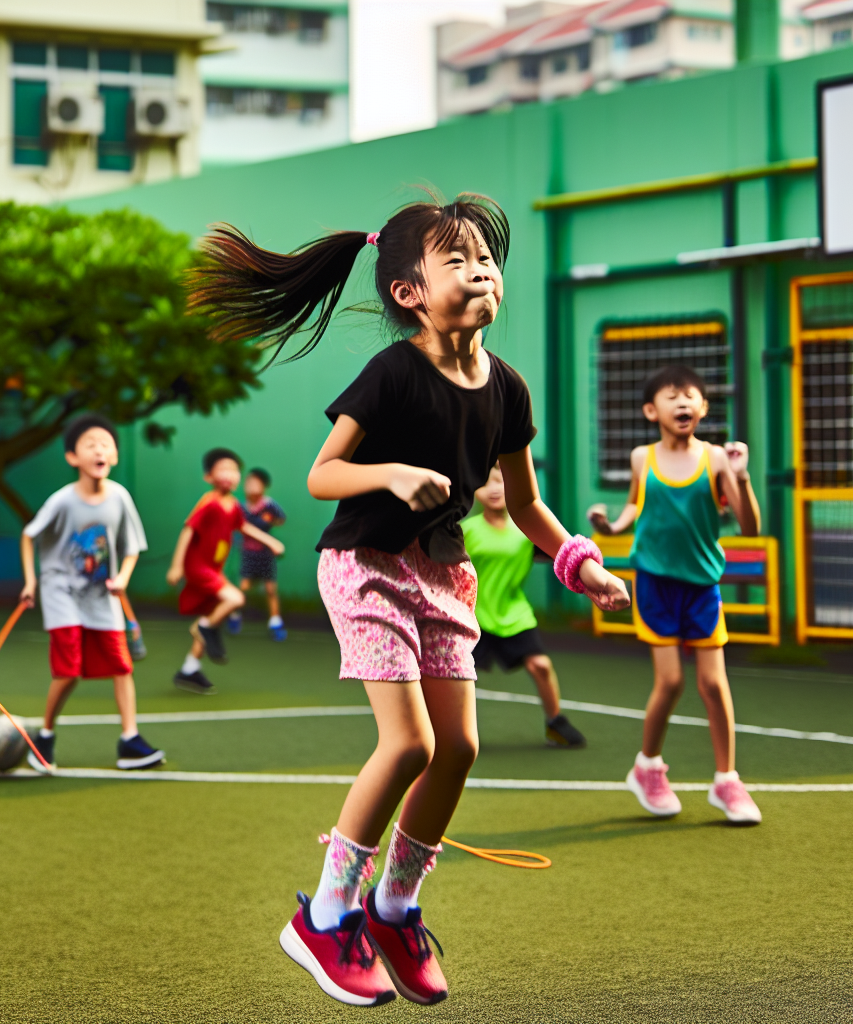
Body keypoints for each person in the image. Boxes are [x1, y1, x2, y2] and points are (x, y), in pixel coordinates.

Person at [189, 193, 628, 1007]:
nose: (481, 270)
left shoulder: (508, 388)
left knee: (459, 747)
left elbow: (528, 506)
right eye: (456, 259)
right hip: (365, 566)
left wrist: (580, 563)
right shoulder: (393, 373)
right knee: (410, 746)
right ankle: (324, 916)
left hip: (440, 575)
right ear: (408, 293)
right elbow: (323, 475)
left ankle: (394, 907)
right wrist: (391, 474)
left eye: (486, 258)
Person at [588, 365, 761, 825]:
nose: (682, 402)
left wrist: (742, 478)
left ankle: (727, 780)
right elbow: (633, 506)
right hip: (655, 584)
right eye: (671, 396)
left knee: (713, 683)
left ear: (703, 408)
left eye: (690, 396)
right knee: (671, 682)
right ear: (651, 410)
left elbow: (750, 528)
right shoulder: (642, 458)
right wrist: (612, 526)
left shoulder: (718, 461)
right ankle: (647, 768)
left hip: (702, 585)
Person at [18, 414, 161, 770]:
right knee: (69, 670)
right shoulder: (63, 501)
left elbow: (131, 547)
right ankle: (45, 737)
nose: (99, 449)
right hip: (60, 591)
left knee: (121, 665)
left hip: (102, 596)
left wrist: (124, 577)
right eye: (90, 444)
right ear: (72, 457)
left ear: (114, 456)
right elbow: (28, 535)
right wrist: (31, 581)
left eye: (106, 445)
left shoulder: (120, 498)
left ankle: (129, 740)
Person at [461, 465, 586, 748]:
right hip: (473, 617)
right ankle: (450, 733)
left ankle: (556, 723)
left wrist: (592, 578)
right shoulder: (465, 531)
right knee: (460, 677)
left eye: (502, 481)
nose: (494, 488)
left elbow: (563, 555)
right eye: (486, 481)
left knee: (540, 665)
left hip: (514, 613)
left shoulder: (528, 531)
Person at [167, 448, 284, 694]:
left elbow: (244, 527)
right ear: (208, 477)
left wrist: (270, 542)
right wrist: (177, 565)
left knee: (212, 615)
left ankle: (189, 669)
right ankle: (203, 629)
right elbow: (188, 529)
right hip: (198, 567)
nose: (230, 474)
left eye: (234, 470)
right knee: (235, 598)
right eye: (223, 469)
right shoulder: (209, 502)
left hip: (214, 568)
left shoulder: (232, 504)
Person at [230, 467, 288, 641]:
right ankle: (234, 615)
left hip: (266, 555)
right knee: (244, 587)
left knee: (270, 588)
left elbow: (280, 518)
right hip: (248, 553)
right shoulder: (240, 507)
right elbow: (238, 526)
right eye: (249, 482)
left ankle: (275, 623)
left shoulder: (269, 505)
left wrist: (269, 526)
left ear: (263, 486)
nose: (252, 486)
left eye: (257, 483)